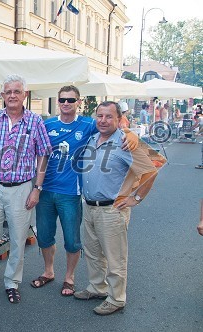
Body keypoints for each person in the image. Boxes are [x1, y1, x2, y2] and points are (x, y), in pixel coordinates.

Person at [32, 86, 138, 296]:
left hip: (71, 193)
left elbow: (112, 125)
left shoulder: (89, 124)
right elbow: (38, 151)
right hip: (45, 191)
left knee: (72, 240)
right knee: (44, 236)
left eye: (71, 100)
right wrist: (37, 186)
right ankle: (48, 271)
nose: (65, 103)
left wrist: (129, 132)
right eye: (62, 99)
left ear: (78, 102)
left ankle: (69, 278)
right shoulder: (47, 124)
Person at [74, 101, 161, 315]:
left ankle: (116, 298)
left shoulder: (125, 142)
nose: (103, 120)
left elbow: (152, 169)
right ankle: (97, 287)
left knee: (115, 258)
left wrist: (136, 198)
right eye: (100, 116)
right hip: (90, 207)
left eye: (109, 116)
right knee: (93, 254)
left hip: (112, 210)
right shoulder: (93, 138)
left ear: (118, 119)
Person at [0, 74, 51, 304]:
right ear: (2, 95)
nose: (12, 95)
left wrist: (37, 188)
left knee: (18, 239)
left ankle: (12, 282)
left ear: (24, 95)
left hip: (22, 188)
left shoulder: (35, 121)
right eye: (8, 91)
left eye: (16, 91)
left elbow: (43, 154)